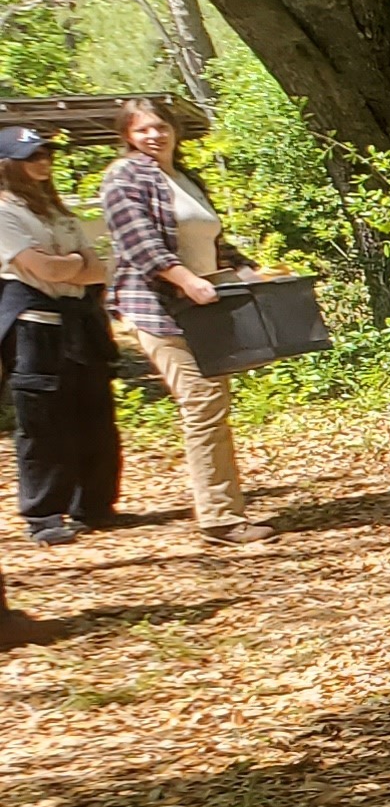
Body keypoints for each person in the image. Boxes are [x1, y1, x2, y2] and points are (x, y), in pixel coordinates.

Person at [100, 100, 273, 545]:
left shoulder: (184, 179)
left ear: (174, 130)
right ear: (127, 136)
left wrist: (252, 273)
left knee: (212, 402)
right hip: (159, 306)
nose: (153, 136)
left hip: (204, 303)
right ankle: (219, 517)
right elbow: (137, 242)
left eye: (160, 127)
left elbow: (213, 242)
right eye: (142, 131)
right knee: (201, 402)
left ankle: (224, 506)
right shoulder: (125, 177)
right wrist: (183, 279)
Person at [1, 127, 119, 544]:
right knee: (43, 422)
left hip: (80, 320)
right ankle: (44, 515)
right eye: (32, 156)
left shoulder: (58, 212)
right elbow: (47, 271)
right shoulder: (5, 213)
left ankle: (94, 505)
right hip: (35, 326)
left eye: (46, 154)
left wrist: (63, 264)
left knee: (94, 413)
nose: (43, 162)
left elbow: (96, 269)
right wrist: (72, 264)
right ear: (8, 165)